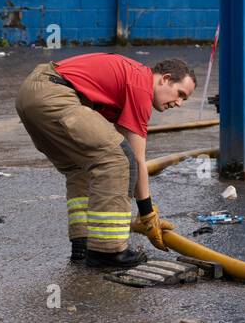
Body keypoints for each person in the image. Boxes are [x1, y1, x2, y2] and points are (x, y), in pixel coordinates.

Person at [15, 53, 196, 268]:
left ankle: (83, 244)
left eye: (184, 99)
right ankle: (108, 251)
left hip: (31, 93)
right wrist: (148, 214)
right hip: (54, 93)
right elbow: (135, 159)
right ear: (165, 79)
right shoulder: (141, 86)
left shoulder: (133, 79)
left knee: (80, 167)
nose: (179, 103)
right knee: (118, 160)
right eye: (180, 94)